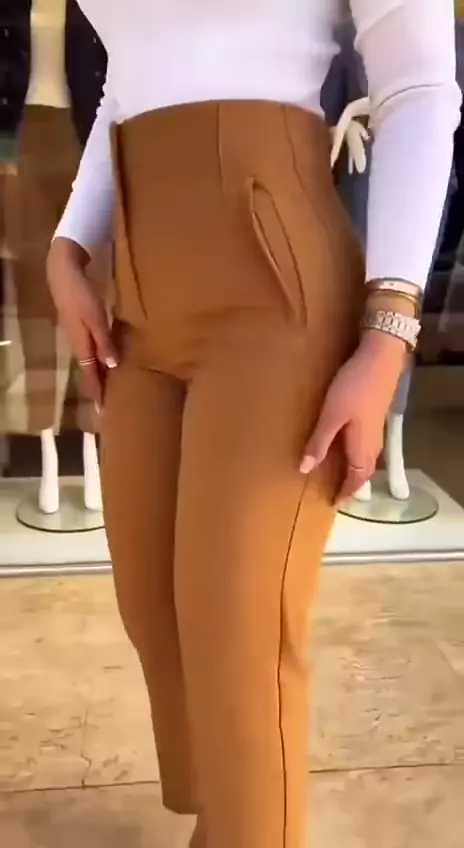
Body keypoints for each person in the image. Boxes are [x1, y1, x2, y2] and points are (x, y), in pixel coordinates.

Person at [46, 3, 460, 847]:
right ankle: (234, 813)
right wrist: (67, 244)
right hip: (141, 289)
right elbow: (130, 74)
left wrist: (388, 332)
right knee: (154, 608)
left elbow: (418, 85)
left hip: (275, 288)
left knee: (238, 628)